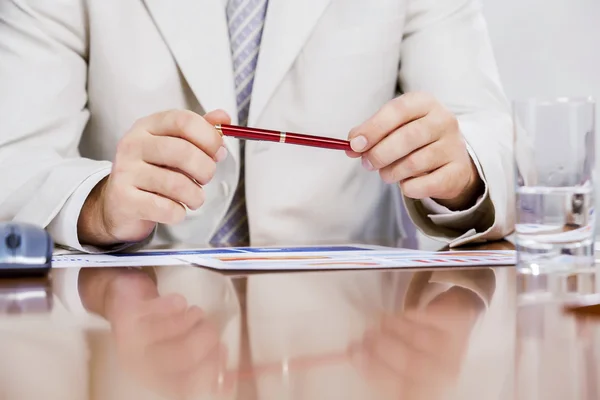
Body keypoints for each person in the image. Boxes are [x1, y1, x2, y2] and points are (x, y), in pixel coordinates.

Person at [0, 0, 513, 305]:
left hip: (352, 327)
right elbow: (12, 160)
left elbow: (497, 138)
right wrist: (100, 205)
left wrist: (462, 171)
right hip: (134, 317)